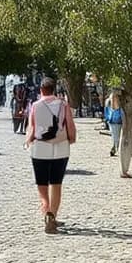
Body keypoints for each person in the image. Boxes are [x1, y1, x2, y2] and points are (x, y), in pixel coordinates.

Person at [26, 77, 77, 234]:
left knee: (42, 183)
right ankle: (52, 215)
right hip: (60, 147)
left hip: (40, 148)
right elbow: (69, 124)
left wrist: (28, 142)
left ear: (41, 89)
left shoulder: (35, 106)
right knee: (56, 183)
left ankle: (45, 207)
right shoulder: (63, 105)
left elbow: (32, 127)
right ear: (54, 89)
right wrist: (72, 138)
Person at [105, 91, 125, 158]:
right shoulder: (108, 104)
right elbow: (106, 112)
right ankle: (114, 149)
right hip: (112, 122)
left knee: (116, 137)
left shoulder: (120, 107)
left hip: (117, 122)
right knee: (114, 137)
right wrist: (107, 119)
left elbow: (121, 113)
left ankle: (115, 149)